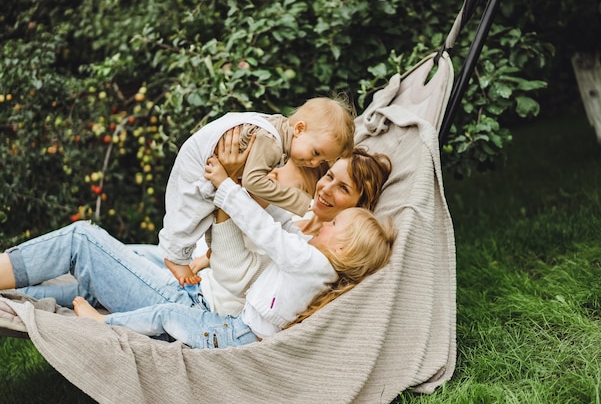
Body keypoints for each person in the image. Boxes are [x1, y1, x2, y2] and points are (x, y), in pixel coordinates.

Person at [0, 137, 392, 348]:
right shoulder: (301, 221)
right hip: (199, 286)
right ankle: (17, 295)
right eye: (328, 176)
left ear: (360, 210)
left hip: (202, 304)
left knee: (82, 240)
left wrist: (227, 194)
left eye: (343, 189)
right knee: (102, 267)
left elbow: (239, 272)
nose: (325, 188)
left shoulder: (306, 251)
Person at [160, 96, 355, 286]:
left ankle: (211, 250)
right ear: (299, 129)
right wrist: (298, 200)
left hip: (212, 164)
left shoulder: (279, 134)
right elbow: (252, 181)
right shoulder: (272, 142)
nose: (313, 163)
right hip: (200, 161)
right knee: (191, 211)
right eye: (316, 153)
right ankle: (175, 256)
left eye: (321, 161)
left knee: (210, 208)